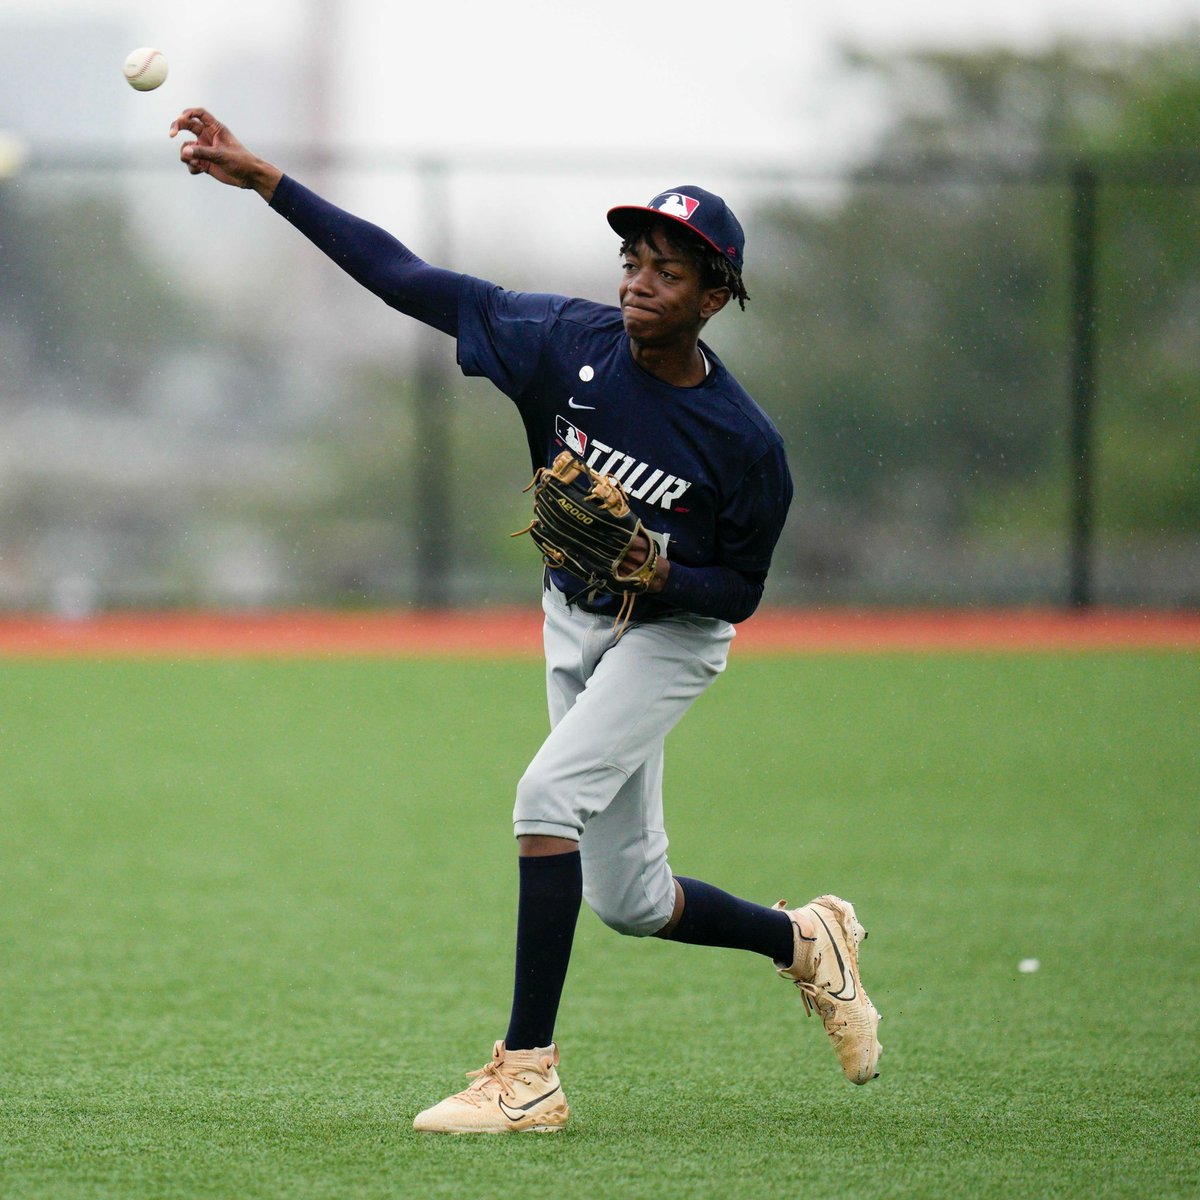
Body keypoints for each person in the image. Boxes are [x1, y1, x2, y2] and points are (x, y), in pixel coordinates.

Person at [169, 108, 882, 1134]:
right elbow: (407, 279)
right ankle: (804, 940)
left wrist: (663, 570)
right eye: (635, 258)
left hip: (672, 636)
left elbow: (741, 590)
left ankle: (527, 1075)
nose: (641, 279)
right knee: (631, 900)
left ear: (716, 297)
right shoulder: (560, 341)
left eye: (671, 270)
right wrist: (267, 180)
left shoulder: (743, 444)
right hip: (575, 619)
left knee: (544, 798)